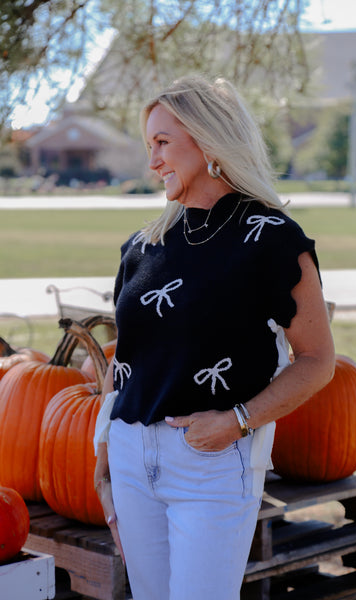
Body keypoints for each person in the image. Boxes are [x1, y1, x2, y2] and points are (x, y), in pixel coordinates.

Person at [93, 75, 335, 600]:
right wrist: (105, 455)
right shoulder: (142, 245)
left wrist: (237, 421)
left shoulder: (271, 240)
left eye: (162, 143)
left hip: (211, 463)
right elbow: (127, 361)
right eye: (148, 145)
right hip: (133, 459)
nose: (152, 160)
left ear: (208, 139)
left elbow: (317, 360)